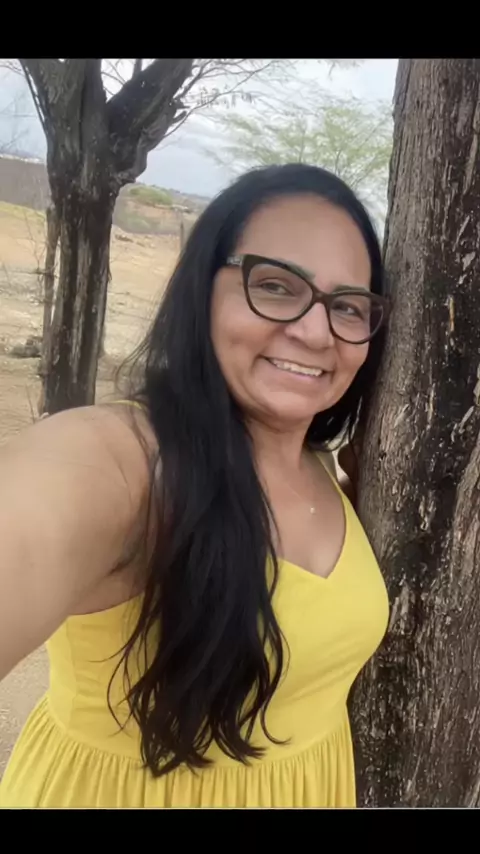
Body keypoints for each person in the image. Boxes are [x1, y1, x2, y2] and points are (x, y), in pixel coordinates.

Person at [0, 163, 390, 809]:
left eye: (348, 306)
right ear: (201, 289)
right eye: (275, 285)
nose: (315, 331)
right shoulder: (122, 461)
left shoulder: (334, 472)